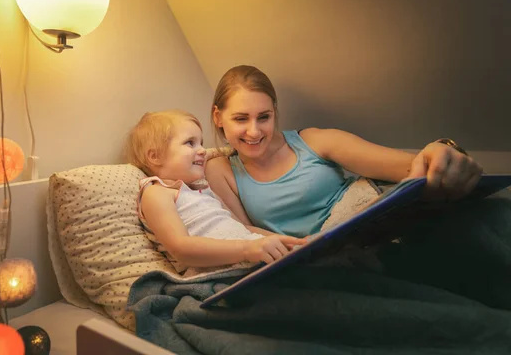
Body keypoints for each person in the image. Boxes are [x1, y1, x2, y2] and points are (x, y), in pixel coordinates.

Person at [206, 65, 484, 238]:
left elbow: (409, 167)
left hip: (370, 235)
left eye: (264, 117)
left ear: (275, 112)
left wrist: (438, 152)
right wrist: (300, 247)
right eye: (241, 119)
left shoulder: (314, 142)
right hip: (307, 261)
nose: (254, 131)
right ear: (218, 117)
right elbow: (243, 234)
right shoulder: (220, 170)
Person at [124, 110, 306, 273]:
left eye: (201, 143)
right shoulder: (157, 192)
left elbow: (243, 228)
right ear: (155, 156)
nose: (202, 150)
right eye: (190, 143)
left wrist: (288, 241)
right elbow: (181, 248)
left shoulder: (203, 190)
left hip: (254, 257)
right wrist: (246, 250)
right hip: (221, 270)